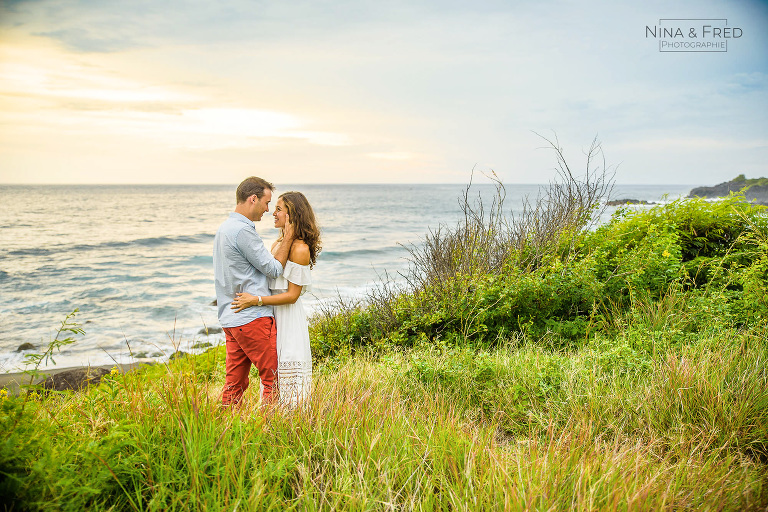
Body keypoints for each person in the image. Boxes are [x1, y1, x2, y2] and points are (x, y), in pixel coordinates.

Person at [231, 191, 321, 408]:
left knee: (288, 375)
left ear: (293, 215)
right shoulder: (278, 244)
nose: (273, 212)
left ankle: (291, 425)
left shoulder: (300, 249)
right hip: (272, 317)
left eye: (279, 209)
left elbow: (292, 296)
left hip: (288, 318)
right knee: (273, 373)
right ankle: (272, 421)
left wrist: (256, 300)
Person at [213, 177, 295, 407]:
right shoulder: (242, 231)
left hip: (231, 318)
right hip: (252, 318)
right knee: (273, 379)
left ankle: (226, 428)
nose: (268, 210)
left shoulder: (224, 229)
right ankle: (270, 430)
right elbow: (273, 269)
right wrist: (289, 235)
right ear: (252, 199)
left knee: (234, 383)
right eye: (266, 203)